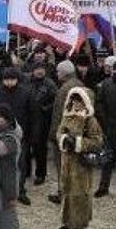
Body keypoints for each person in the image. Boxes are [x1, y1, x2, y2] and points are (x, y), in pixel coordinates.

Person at [56, 87, 104, 229]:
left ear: (86, 101)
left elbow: (97, 142)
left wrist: (77, 142)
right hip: (66, 163)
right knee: (67, 193)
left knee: (80, 196)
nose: (77, 103)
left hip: (81, 167)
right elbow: (59, 132)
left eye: (80, 100)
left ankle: (79, 224)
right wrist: (64, 139)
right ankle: (68, 222)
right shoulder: (67, 115)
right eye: (75, 99)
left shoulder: (90, 120)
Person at [0, 67, 34, 205]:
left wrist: (31, 134)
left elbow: (32, 114)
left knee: (19, 165)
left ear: (17, 79)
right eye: (6, 79)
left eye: (12, 79)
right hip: (0, 134)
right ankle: (2, 189)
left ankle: (20, 190)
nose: (9, 82)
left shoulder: (26, 92)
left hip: (20, 134)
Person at [48, 60, 89, 204]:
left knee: (63, 166)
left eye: (58, 71)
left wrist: (55, 135)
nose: (57, 74)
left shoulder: (65, 89)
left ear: (64, 73)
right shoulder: (80, 85)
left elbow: (59, 114)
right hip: (76, 133)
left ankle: (64, 194)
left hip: (65, 134)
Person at [27, 61, 58, 186]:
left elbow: (56, 101)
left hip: (43, 120)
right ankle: (26, 171)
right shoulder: (27, 82)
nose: (39, 71)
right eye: (37, 68)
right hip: (28, 119)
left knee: (40, 149)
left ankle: (41, 174)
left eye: (42, 68)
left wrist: (45, 108)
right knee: (26, 147)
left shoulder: (50, 84)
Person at [94, 55, 116, 197]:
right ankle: (103, 186)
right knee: (107, 158)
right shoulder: (106, 84)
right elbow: (99, 103)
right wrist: (105, 119)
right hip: (110, 126)